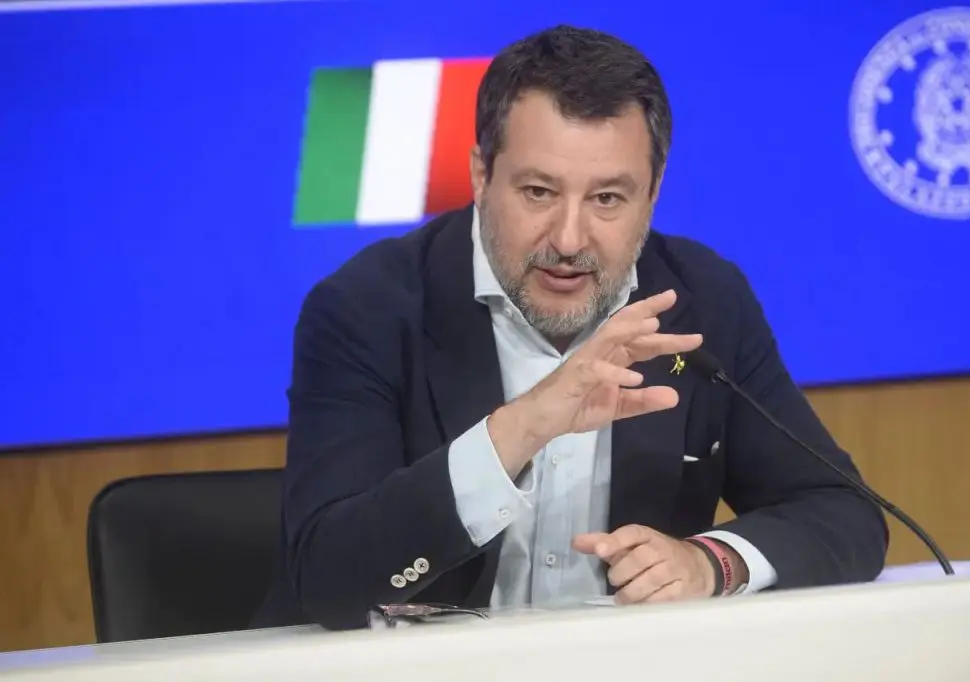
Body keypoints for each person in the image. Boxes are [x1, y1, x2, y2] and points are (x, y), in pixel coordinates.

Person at [252, 24, 887, 630]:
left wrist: (711, 563)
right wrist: (526, 424)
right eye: (538, 192)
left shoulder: (703, 301)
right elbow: (329, 578)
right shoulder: (366, 309)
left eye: (607, 198)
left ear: (653, 192)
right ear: (481, 175)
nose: (568, 239)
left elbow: (845, 514)